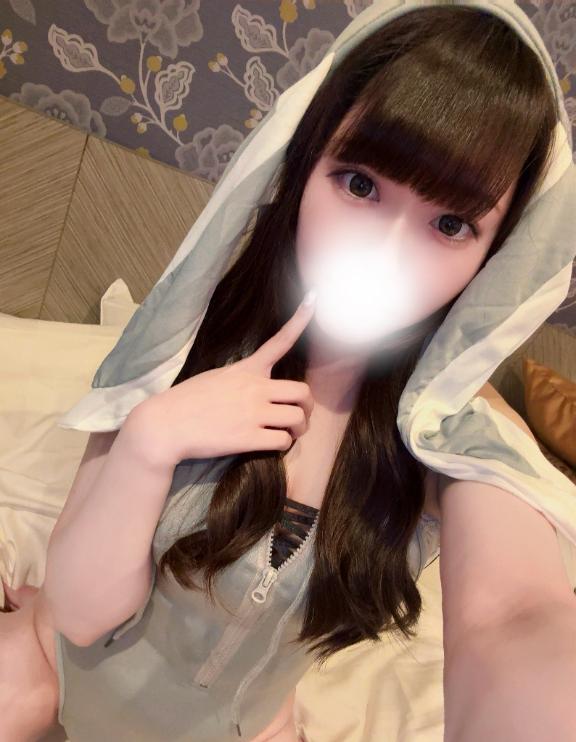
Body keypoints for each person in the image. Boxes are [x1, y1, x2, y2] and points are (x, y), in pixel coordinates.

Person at [3, 2, 575, 741]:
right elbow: (79, 616)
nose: (387, 253)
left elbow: (514, 618)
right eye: (360, 185)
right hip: (55, 668)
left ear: (493, 257)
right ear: (303, 163)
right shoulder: (184, 337)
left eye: (450, 224)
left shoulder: (448, 436)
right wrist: (150, 440)